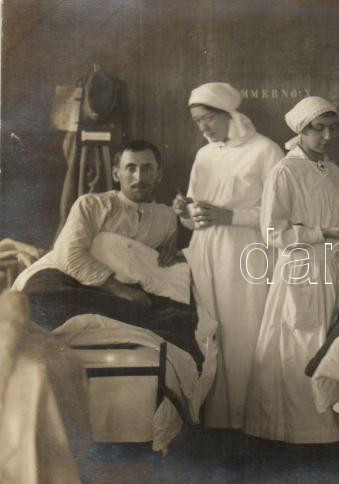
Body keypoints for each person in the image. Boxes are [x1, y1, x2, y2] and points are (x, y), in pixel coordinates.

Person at [14, 140, 198, 353]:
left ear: (159, 174)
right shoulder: (91, 204)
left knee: (172, 323)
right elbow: (69, 255)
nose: (139, 177)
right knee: (43, 310)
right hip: (62, 277)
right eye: (130, 168)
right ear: (116, 174)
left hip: (116, 292)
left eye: (147, 168)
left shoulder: (166, 217)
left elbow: (162, 257)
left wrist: (169, 249)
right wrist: (117, 288)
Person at [244, 96, 339, 443]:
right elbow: (273, 232)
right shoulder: (285, 171)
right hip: (301, 273)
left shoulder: (336, 173)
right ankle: (296, 434)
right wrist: (320, 233)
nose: (327, 136)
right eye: (318, 129)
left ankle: (329, 431)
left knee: (328, 349)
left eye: (332, 129)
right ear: (301, 131)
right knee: (299, 350)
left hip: (334, 272)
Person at [172, 82, 284, 429]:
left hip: (245, 254)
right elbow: (195, 217)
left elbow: (281, 215)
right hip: (206, 253)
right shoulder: (204, 155)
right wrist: (185, 211)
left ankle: (249, 421)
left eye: (208, 118)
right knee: (210, 332)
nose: (203, 127)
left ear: (228, 113)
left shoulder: (265, 150)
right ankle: (215, 421)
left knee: (242, 334)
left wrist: (229, 216)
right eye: (197, 121)